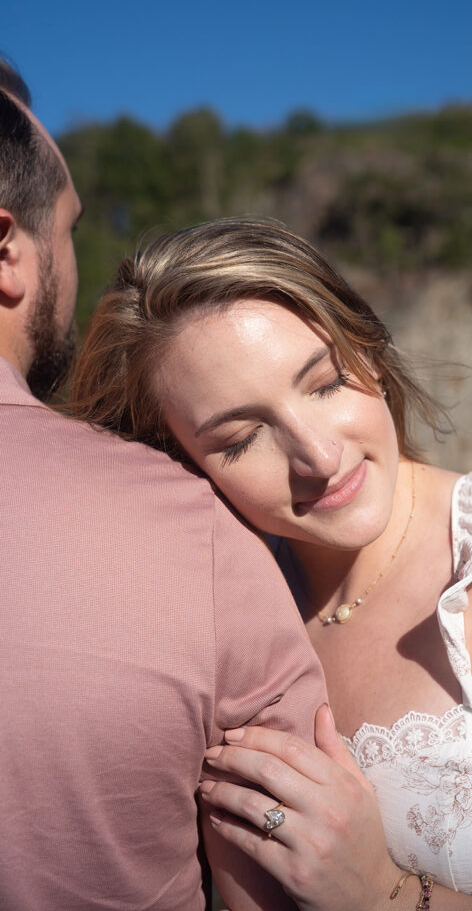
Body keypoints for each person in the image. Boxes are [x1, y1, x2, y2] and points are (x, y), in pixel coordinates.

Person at [70, 217, 472, 911]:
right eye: (241, 438)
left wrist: (384, 895)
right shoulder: (221, 621)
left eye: (326, 383)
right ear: (181, 465)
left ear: (370, 350)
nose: (318, 456)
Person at [0, 68, 327, 911]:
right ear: (6, 250)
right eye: (68, 229)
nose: (316, 455)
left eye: (323, 383)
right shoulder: (197, 536)